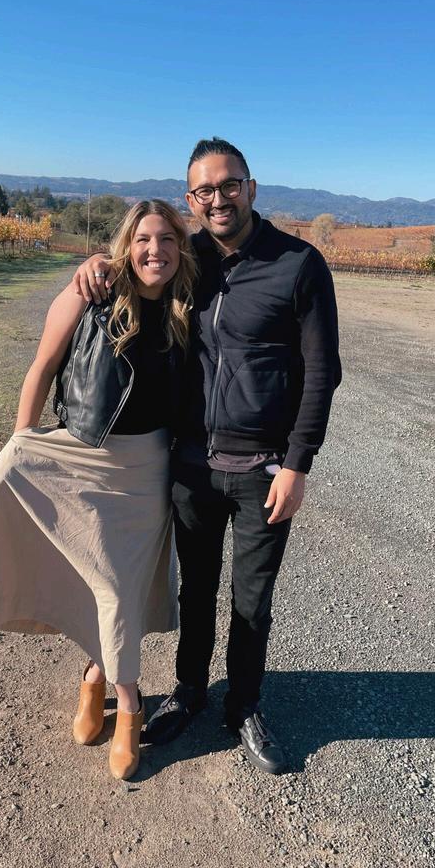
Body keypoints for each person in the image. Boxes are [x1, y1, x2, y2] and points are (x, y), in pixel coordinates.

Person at [74, 138, 341, 774]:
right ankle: (190, 689)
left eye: (229, 185)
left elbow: (322, 371)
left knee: (252, 598)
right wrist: (95, 265)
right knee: (195, 590)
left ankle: (243, 704)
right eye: (204, 191)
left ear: (251, 188)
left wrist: (298, 464)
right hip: (191, 464)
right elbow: (136, 262)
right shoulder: (186, 259)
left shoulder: (298, 264)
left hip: (263, 469)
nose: (218, 199)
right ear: (191, 199)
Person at [0, 199, 196, 780]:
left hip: (147, 471)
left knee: (119, 589)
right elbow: (42, 367)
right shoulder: (89, 294)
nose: (155, 250)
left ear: (182, 246)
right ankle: (127, 700)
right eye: (143, 239)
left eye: (167, 239)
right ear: (127, 245)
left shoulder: (187, 304)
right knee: (98, 579)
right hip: (82, 457)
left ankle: (101, 681)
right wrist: (22, 441)